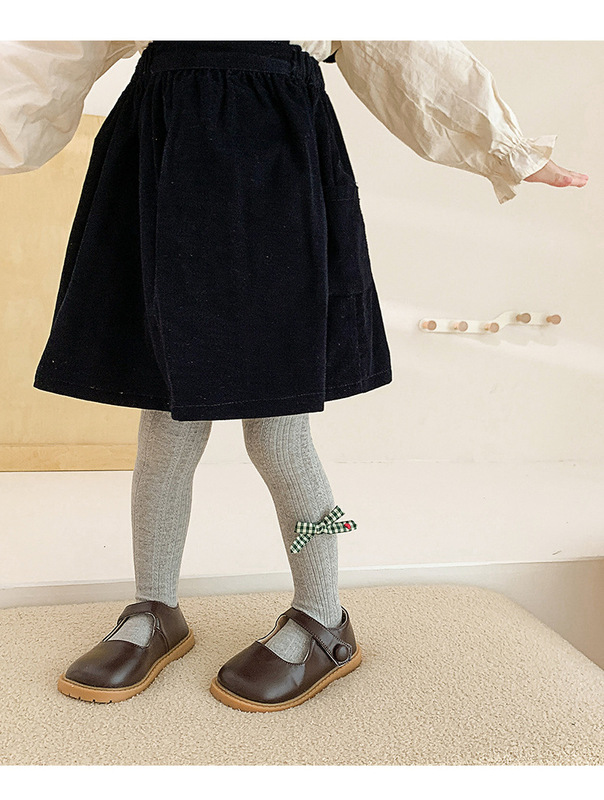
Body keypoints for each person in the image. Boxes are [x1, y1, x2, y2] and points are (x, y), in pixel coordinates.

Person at [0, 40, 588, 713]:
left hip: (275, 167)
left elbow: (398, 49)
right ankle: (155, 608)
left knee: (277, 434)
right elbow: (64, 42)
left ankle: (323, 617)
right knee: (165, 421)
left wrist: (509, 149)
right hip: (160, 163)